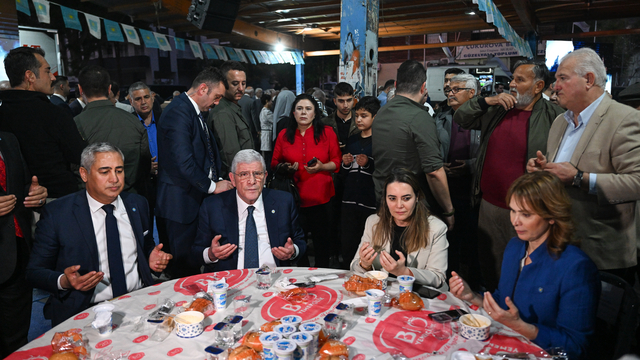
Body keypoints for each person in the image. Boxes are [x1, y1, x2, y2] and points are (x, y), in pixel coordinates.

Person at [449, 171, 599, 359]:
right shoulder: (515, 247)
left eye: (526, 214)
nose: (515, 221)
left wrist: (521, 327)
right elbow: (504, 302)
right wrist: (473, 297)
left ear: (552, 215)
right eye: (513, 210)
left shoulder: (576, 268)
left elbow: (576, 347)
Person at [527, 47, 640, 285]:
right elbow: (560, 175)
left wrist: (580, 178)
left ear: (588, 80)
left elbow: (636, 182)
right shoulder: (561, 121)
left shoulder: (624, 119)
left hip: (601, 254)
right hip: (559, 244)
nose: (555, 86)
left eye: (562, 78)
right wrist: (543, 171)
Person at [26, 143, 172, 326]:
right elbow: (34, 272)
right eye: (105, 172)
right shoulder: (58, 214)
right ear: (84, 174)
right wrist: (65, 281)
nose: (115, 179)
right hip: (85, 311)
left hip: (139, 303)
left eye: (119, 171)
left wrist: (150, 256)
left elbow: (146, 244)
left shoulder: (137, 203)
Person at [454, 60, 564, 290]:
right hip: (489, 205)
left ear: (538, 86)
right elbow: (461, 118)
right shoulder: (497, 110)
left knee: (524, 267)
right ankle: (496, 310)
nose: (512, 84)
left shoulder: (554, 116)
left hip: (528, 210)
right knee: (491, 264)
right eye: (512, 78)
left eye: (520, 80)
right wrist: (486, 100)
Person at [156, 67, 233, 279]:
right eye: (216, 97)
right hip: (179, 204)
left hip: (192, 198)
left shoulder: (194, 112)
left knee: (195, 262)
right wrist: (213, 186)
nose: (217, 103)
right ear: (202, 89)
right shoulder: (178, 111)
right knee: (183, 269)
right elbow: (184, 162)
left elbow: (205, 152)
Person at [373, 60, 455, 230]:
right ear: (423, 87)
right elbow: (434, 172)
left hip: (384, 197)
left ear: (396, 85)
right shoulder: (419, 117)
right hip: (409, 206)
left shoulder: (381, 112)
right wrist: (448, 210)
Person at [192, 150, 306, 272]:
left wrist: (293, 251)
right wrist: (211, 254)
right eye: (244, 174)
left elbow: (300, 242)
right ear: (233, 179)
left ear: (265, 177)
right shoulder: (213, 206)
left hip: (274, 279)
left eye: (257, 174)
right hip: (230, 282)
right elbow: (196, 252)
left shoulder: (283, 202)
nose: (252, 181)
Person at [0, 46, 87, 199]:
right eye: (47, 71)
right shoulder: (54, 114)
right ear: (30, 76)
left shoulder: (3, 113)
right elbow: (80, 155)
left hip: (16, 205)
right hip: (57, 201)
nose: (53, 78)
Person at [271, 94, 341, 267]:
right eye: (300, 109)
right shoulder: (284, 135)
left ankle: (322, 277)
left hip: (321, 198)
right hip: (294, 199)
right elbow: (273, 163)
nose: (304, 112)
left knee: (321, 243)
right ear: (293, 113)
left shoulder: (327, 133)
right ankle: (303, 278)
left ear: (315, 113)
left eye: (308, 109)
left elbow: (337, 162)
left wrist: (322, 167)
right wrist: (285, 167)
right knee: (297, 243)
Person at [351, 169, 448, 290]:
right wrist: (364, 265)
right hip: (383, 294)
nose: (399, 205)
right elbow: (354, 267)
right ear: (385, 199)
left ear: (417, 197)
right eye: (392, 198)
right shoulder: (373, 222)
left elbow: (438, 278)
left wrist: (404, 272)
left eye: (406, 198)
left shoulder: (436, 228)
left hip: (418, 297)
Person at [0, 132, 48, 357]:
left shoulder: (8, 139)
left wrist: (37, 194)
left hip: (16, 253)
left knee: (16, 340)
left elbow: (25, 184)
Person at [74, 65, 151, 195]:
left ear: (80, 89)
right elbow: (145, 164)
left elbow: (74, 168)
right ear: (109, 89)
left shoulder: (75, 124)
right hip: (131, 197)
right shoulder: (133, 121)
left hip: (93, 200)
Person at [435, 74, 482, 285]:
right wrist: (438, 164)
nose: (450, 93)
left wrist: (471, 165)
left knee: (473, 243)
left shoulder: (483, 118)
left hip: (473, 189)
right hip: (447, 189)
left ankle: (472, 285)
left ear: (472, 94)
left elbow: (489, 153)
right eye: (449, 90)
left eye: (456, 89)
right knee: (448, 241)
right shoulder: (441, 118)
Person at [340, 96, 380, 270]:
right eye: (357, 116)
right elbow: (344, 171)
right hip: (349, 200)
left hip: (369, 201)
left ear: (375, 117)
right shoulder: (353, 140)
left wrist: (369, 163)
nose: (359, 119)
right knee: (348, 240)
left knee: (368, 242)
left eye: (364, 116)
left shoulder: (380, 141)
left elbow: (383, 170)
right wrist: (346, 162)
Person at [209, 61, 255, 174]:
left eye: (243, 83)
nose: (240, 88)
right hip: (236, 179)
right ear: (223, 84)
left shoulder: (233, 107)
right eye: (235, 83)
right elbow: (230, 156)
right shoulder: (223, 112)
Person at [129, 81, 160, 226]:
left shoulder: (165, 119)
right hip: (141, 185)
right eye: (138, 99)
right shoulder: (128, 124)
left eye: (146, 97)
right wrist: (146, 167)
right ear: (130, 101)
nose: (143, 102)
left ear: (153, 97)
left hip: (165, 182)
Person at [321, 82, 359, 152]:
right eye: (341, 101)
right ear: (335, 101)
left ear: (353, 99)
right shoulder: (325, 123)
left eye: (349, 100)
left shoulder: (360, 121)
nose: (345, 105)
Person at [238, 86, 260, 151]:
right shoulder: (251, 101)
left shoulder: (238, 100)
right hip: (250, 127)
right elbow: (254, 117)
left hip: (239, 125)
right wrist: (257, 129)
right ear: (251, 93)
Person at [259, 93, 274, 167]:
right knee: (268, 157)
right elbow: (274, 121)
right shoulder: (267, 112)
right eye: (271, 101)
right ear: (267, 101)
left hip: (265, 134)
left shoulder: (263, 110)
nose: (272, 103)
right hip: (267, 134)